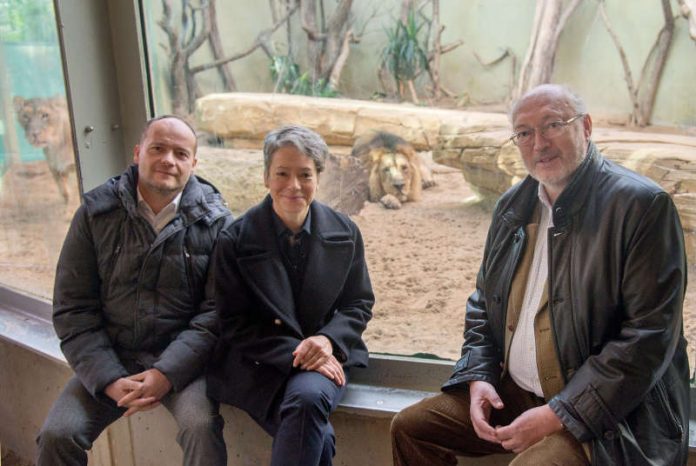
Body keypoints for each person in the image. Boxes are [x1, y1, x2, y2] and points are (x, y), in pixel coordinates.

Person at [390, 84, 689, 466]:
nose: (538, 143)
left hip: (614, 412)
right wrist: (480, 375)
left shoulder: (641, 207)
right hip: (520, 394)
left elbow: (648, 339)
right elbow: (484, 302)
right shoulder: (512, 205)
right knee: (412, 428)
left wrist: (559, 414)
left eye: (552, 125)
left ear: (586, 127)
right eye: (525, 132)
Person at [36, 115, 232, 466]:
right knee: (58, 434)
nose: (168, 160)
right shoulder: (96, 214)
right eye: (158, 148)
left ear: (194, 164)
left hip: (183, 362)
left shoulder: (215, 221)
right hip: (112, 353)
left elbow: (217, 313)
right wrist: (108, 379)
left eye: (180, 153)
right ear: (138, 152)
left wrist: (166, 374)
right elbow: (73, 308)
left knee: (200, 426)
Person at [207, 125, 374, 466]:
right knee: (319, 438)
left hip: (324, 359)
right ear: (266, 176)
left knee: (309, 398)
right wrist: (302, 351)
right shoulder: (234, 239)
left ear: (318, 177)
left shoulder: (345, 231)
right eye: (282, 173)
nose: (293, 185)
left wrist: (327, 341)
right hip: (260, 363)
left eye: (305, 174)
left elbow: (359, 302)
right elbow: (232, 322)